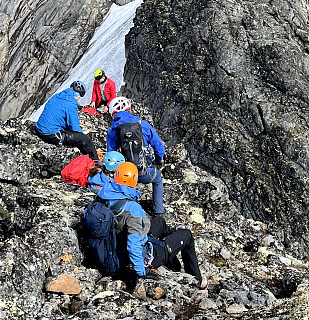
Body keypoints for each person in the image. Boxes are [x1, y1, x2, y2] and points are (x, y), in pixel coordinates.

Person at [88, 161, 207, 291]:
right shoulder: (132, 209)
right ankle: (197, 279)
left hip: (115, 248)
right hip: (139, 257)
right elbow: (133, 244)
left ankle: (173, 264)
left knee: (159, 221)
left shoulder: (102, 195)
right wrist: (141, 271)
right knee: (187, 235)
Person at [106, 98, 166, 214]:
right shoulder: (143, 125)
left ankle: (120, 208)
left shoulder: (112, 131)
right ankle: (159, 211)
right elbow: (159, 147)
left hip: (126, 176)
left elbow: (111, 156)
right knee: (157, 180)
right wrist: (159, 160)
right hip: (146, 173)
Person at [35, 80, 97, 158]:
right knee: (85, 139)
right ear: (78, 95)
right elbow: (75, 127)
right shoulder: (70, 104)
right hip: (51, 135)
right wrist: (80, 136)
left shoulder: (56, 96)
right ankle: (96, 163)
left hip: (39, 128)